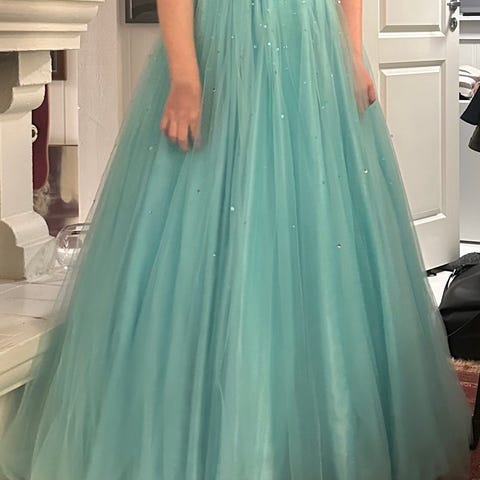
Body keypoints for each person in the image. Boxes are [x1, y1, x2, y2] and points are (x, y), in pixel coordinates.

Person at [0, 0, 473, 478]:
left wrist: (351, 52)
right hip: (222, 52)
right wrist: (185, 75)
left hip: (314, 53)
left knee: (322, 248)